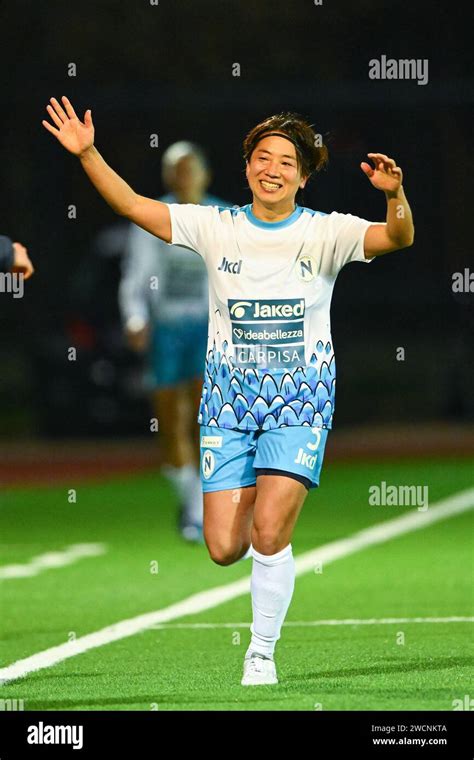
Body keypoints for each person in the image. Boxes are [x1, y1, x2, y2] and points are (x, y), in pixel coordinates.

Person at [42, 96, 414, 686]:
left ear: (304, 174)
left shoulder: (327, 232)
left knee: (269, 530)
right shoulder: (215, 225)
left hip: (301, 400)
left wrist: (395, 196)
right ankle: (260, 544)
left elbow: (396, 238)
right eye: (262, 158)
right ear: (246, 168)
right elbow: (135, 205)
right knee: (222, 546)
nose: (272, 168)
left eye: (286, 161)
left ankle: (261, 652)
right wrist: (88, 153)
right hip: (228, 404)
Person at [118, 142, 232, 542]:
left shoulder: (222, 216)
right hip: (167, 328)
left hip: (208, 328)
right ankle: (191, 503)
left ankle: (204, 509)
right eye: (177, 171)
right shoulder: (154, 216)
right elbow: (136, 273)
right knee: (170, 418)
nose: (185, 178)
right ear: (168, 178)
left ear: (206, 174)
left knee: (208, 416)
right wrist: (134, 317)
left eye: (191, 170)